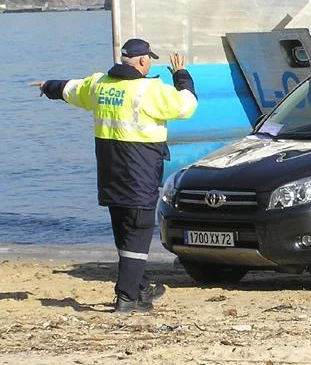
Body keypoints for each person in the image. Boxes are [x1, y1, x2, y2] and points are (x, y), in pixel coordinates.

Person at [31, 38, 198, 312]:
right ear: (143, 61)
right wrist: (181, 75)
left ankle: (141, 286)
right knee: (139, 231)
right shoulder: (149, 90)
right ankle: (127, 296)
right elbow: (187, 105)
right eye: (149, 60)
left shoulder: (100, 84)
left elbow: (71, 89)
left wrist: (48, 86)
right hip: (139, 171)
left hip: (110, 174)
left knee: (124, 230)